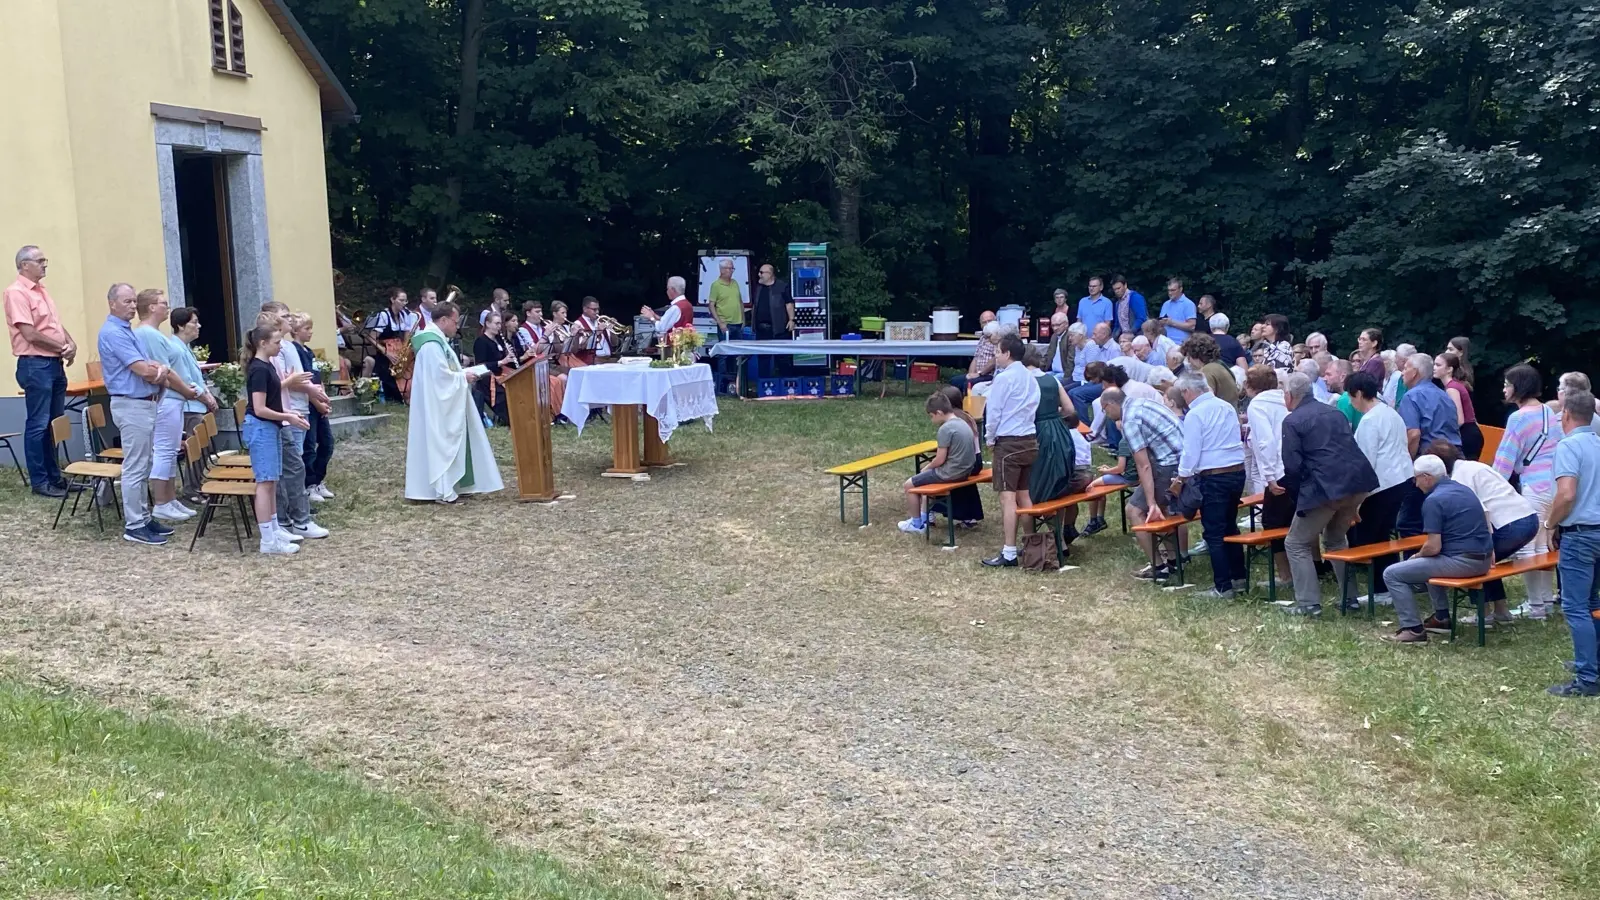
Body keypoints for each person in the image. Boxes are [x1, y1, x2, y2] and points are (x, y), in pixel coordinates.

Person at [1278, 372, 1377, 615]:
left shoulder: (1292, 421)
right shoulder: (1335, 413)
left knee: (1296, 543)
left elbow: (1292, 465)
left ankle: (1308, 604)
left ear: (1290, 396)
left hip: (1325, 489)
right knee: (1335, 539)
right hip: (1357, 483)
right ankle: (1350, 599)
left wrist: (1297, 496)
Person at [1425, 440, 1538, 627]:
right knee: (1484, 562)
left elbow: (1482, 511)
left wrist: (1484, 545)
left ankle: (1483, 614)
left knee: (1469, 556)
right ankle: (1501, 611)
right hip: (1528, 518)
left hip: (1509, 523)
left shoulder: (1459, 479)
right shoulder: (1474, 466)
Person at [1382, 455, 1493, 643]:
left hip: (1463, 562)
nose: (1416, 485)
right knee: (1429, 564)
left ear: (1426, 477)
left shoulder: (1434, 500)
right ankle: (1441, 618)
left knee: (1392, 574)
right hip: (1483, 560)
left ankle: (1413, 629)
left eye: (1415, 479)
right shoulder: (1464, 490)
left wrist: (1416, 556)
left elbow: (1433, 547)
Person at [97, 283, 176, 545]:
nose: (133, 306)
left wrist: (158, 369)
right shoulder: (113, 333)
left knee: (144, 463)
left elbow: (150, 364)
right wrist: (159, 371)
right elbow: (143, 369)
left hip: (143, 403)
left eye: (134, 301)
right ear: (112, 303)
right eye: (127, 302)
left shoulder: (127, 331)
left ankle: (143, 516)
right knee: (135, 466)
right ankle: (134, 524)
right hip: (132, 404)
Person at [405, 302, 504, 502]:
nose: (457, 326)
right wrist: (462, 377)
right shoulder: (431, 345)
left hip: (443, 400)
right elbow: (439, 379)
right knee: (440, 442)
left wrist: (460, 375)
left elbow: (445, 372)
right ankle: (442, 488)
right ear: (443, 320)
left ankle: (453, 483)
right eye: (455, 322)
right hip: (437, 405)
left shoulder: (438, 341)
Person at [8, 245, 84, 498]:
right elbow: (30, 333)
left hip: (52, 363)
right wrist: (62, 347)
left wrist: (70, 343)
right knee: (38, 424)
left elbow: (54, 325)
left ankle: (55, 477)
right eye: (40, 260)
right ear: (24, 265)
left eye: (45, 260)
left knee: (54, 423)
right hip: (35, 363)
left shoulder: (42, 291)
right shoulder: (16, 292)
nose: (45, 264)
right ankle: (40, 481)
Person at [1170, 371, 1248, 598]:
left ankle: (1223, 587)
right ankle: (1238, 577)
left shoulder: (1195, 414)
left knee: (1213, 533)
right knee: (1230, 526)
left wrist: (1181, 478)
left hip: (1214, 476)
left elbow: (1190, 451)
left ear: (1187, 392)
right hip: (1236, 472)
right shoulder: (1226, 407)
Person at [1492, 364, 1559, 619]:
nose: (1504, 388)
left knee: (1529, 547)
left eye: (1508, 383)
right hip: (1553, 485)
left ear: (1518, 387)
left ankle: (1535, 607)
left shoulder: (1519, 418)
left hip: (1533, 486)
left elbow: (1504, 460)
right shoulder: (1547, 412)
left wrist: (1491, 486)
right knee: (1543, 545)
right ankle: (1544, 603)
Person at [1545, 389, 1600, 696]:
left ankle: (1587, 679)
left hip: (1580, 534)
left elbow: (1566, 494)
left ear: (1564, 413)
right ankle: (1594, 661)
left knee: (1576, 607)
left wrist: (1549, 522)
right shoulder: (1598, 443)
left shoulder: (1569, 446)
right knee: (1593, 602)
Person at [131, 289, 201, 523]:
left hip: (174, 399)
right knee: (164, 450)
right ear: (151, 307)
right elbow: (164, 370)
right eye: (163, 303)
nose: (167, 307)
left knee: (170, 450)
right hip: (167, 399)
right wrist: (186, 390)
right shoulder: (148, 334)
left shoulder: (154, 334)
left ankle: (170, 499)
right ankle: (161, 501)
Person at [263, 303, 331, 540]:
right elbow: (280, 382)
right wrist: (311, 390)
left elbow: (297, 376)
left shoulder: (286, 347)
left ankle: (293, 517)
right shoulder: (273, 352)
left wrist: (311, 391)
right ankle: (292, 519)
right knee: (291, 468)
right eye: (284, 316)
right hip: (285, 413)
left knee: (296, 465)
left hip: (294, 411)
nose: (290, 319)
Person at [1102, 387, 1186, 577]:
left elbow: (1144, 465)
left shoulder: (1130, 420)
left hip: (1168, 466)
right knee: (1163, 511)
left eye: (1105, 410)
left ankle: (1158, 568)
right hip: (1183, 462)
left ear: (1111, 404)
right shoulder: (1142, 402)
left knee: (1134, 511)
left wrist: (1150, 502)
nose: (1106, 415)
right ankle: (1175, 562)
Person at [239, 323, 306, 555]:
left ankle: (275, 528)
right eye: (277, 342)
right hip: (261, 428)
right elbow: (259, 408)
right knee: (265, 484)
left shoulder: (267, 366)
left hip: (271, 427)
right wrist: (288, 416)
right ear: (262, 343)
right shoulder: (258, 369)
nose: (280, 346)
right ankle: (267, 539)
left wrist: (287, 415)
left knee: (272, 481)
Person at [1346, 372, 1414, 599]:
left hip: (1381, 487)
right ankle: (1387, 586)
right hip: (1402, 479)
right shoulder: (1390, 413)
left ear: (1357, 394)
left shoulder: (1369, 420)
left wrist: (1356, 501)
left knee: (1371, 538)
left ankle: (1381, 589)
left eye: (1350, 395)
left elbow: (1366, 462)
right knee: (1384, 536)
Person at [980, 334, 1039, 567]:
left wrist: (990, 438)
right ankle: (1031, 544)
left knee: (1008, 498)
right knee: (1024, 495)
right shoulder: (1031, 377)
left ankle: (1010, 551)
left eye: (997, 352)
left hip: (1009, 442)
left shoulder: (1004, 379)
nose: (995, 355)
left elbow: (993, 412)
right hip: (1029, 439)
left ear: (1006, 354)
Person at [898, 392, 980, 534]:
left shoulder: (946, 429)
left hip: (949, 473)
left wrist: (926, 468)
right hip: (965, 471)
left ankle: (916, 524)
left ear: (939, 413)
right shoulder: (963, 422)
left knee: (909, 485)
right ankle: (924, 517)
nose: (932, 419)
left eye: (932, 416)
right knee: (925, 481)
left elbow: (940, 459)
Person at [1244, 366, 1293, 588]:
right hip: (1296, 467)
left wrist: (1270, 477)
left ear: (1250, 386)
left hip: (1278, 469)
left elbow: (1264, 442)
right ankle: (1313, 565)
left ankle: (1286, 576)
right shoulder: (1285, 399)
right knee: (1295, 519)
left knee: (1272, 523)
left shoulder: (1257, 405)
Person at [1026, 346, 1082, 516]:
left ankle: (1037, 513)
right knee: (1059, 477)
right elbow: (1070, 409)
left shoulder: (1023, 381)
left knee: (1036, 476)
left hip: (1036, 430)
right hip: (1058, 430)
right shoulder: (1052, 380)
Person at [287, 313, 336, 503]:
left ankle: (318, 479)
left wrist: (324, 399)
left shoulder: (309, 351)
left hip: (318, 402)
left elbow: (316, 377)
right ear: (296, 331)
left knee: (327, 443)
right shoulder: (294, 351)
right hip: (308, 403)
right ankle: (309, 484)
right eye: (306, 328)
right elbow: (304, 381)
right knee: (309, 447)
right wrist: (317, 403)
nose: (311, 332)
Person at [167, 307, 219, 438]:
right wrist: (207, 399)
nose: (199, 326)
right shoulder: (176, 349)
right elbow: (187, 383)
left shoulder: (185, 347)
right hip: (189, 409)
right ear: (181, 326)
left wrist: (208, 393)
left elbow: (198, 378)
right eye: (194, 322)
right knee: (196, 453)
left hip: (196, 407)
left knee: (203, 451)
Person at [1398, 352, 1461, 458]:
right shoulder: (1444, 396)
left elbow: (1413, 434)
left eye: (1405, 368)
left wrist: (1406, 463)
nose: (1402, 373)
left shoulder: (1411, 397)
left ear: (1414, 372)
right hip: (1455, 455)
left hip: (1429, 457)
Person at [365, 288, 419, 402]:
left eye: (405, 301)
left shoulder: (404, 315)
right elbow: (371, 337)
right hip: (385, 355)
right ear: (392, 300)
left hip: (399, 353)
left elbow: (406, 336)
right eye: (401, 300)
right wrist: (387, 353)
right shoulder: (383, 315)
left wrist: (405, 353)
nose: (404, 304)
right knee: (394, 392)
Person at [472, 311, 517, 426]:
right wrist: (501, 362)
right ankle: (509, 418)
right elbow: (481, 365)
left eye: (500, 324)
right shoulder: (481, 341)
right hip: (488, 378)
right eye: (496, 323)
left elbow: (505, 359)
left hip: (502, 373)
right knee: (507, 392)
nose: (499, 326)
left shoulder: (499, 339)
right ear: (487, 323)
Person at [707, 258, 744, 393]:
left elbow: (739, 301)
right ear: (722, 270)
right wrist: (720, 322)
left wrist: (743, 318)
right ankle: (722, 385)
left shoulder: (735, 283)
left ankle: (736, 384)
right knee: (723, 355)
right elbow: (711, 305)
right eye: (729, 268)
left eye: (732, 268)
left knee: (737, 354)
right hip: (725, 324)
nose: (731, 271)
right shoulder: (716, 285)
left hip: (737, 323)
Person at [1067, 322, 1117, 423]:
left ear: (1103, 334)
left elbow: (1113, 373)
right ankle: (1072, 421)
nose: (1092, 337)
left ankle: (1084, 424)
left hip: (1107, 383)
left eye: (1094, 334)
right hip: (1098, 380)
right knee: (1067, 391)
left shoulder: (1114, 349)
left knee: (1076, 394)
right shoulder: (1100, 347)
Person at [751, 262, 794, 378]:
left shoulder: (782, 286)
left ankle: (786, 385)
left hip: (778, 329)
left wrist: (791, 319)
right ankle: (764, 385)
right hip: (762, 331)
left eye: (761, 272)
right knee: (763, 360)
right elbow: (755, 306)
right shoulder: (758, 288)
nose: (759, 275)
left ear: (770, 274)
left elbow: (789, 304)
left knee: (782, 359)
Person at [1437, 351, 1481, 460]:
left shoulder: (1452, 388)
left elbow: (1459, 420)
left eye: (1438, 365)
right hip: (1471, 433)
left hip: (1466, 435)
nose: (1434, 368)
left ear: (1449, 369)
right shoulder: (1455, 385)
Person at [1181, 333, 1239, 408]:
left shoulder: (1207, 371)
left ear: (1196, 355)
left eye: (1189, 357)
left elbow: (1205, 405)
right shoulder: (1221, 365)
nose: (1188, 361)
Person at [954, 320, 1000, 394]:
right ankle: (957, 403)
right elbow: (976, 357)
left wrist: (979, 374)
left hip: (988, 375)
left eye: (989, 336)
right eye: (986, 336)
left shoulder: (998, 343)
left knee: (968, 384)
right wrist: (971, 374)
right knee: (954, 381)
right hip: (978, 374)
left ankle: (968, 404)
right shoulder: (983, 338)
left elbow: (993, 362)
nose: (987, 339)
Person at [571, 296, 613, 365]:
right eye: (594, 309)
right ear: (585, 309)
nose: (597, 312)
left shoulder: (600, 321)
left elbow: (615, 343)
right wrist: (597, 332)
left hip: (608, 359)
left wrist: (612, 330)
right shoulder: (578, 324)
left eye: (598, 309)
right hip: (591, 361)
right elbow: (580, 347)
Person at [1157, 278, 1196, 344]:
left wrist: (1172, 323)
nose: (1170, 293)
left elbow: (1192, 326)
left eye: (1173, 290)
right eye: (1168, 290)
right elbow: (1161, 324)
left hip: (1181, 344)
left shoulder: (1188, 304)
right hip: (1165, 342)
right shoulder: (1166, 304)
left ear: (1180, 289)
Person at [1042, 312, 1074, 383]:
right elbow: (1047, 356)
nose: (1055, 328)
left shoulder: (1070, 337)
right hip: (1052, 372)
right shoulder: (1054, 336)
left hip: (1064, 374)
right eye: (1053, 325)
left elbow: (1071, 361)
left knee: (1047, 382)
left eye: (1058, 325)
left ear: (1066, 324)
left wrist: (1066, 378)